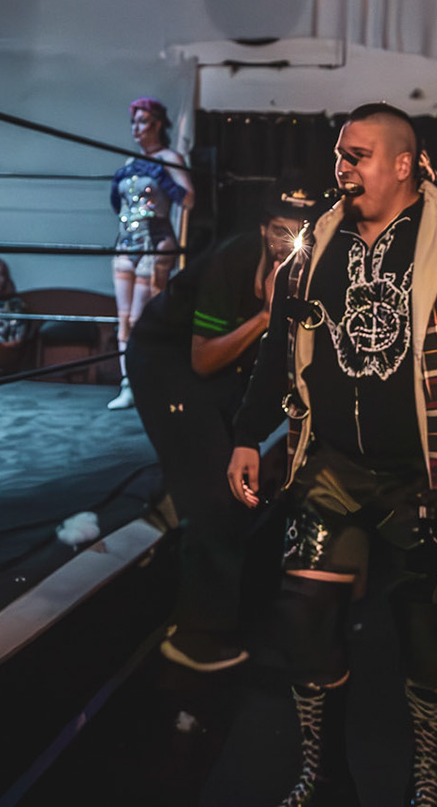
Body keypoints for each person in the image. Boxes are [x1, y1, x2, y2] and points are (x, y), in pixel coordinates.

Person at [226, 103, 437, 807]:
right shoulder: (318, 239)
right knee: (303, 611)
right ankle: (324, 778)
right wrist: (245, 433)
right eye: (339, 155)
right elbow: (281, 346)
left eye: (357, 156)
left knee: (428, 628)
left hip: (433, 473)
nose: (342, 168)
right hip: (332, 465)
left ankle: (426, 779)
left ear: (403, 163)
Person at [131, 175, 319, 673]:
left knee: (237, 469)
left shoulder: (316, 266)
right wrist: (265, 316)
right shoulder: (232, 261)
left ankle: (177, 502)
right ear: (263, 229)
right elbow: (202, 361)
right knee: (217, 492)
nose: (289, 243)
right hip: (169, 358)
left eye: (301, 233)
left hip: (230, 367)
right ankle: (195, 635)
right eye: (280, 231)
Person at [107, 96, 193, 411]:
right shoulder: (131, 162)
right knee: (123, 317)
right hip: (126, 241)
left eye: (142, 121)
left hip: (154, 241)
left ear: (157, 125)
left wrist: (164, 179)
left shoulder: (170, 158)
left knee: (141, 315)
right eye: (134, 122)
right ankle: (127, 384)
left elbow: (189, 199)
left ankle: (147, 382)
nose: (136, 128)